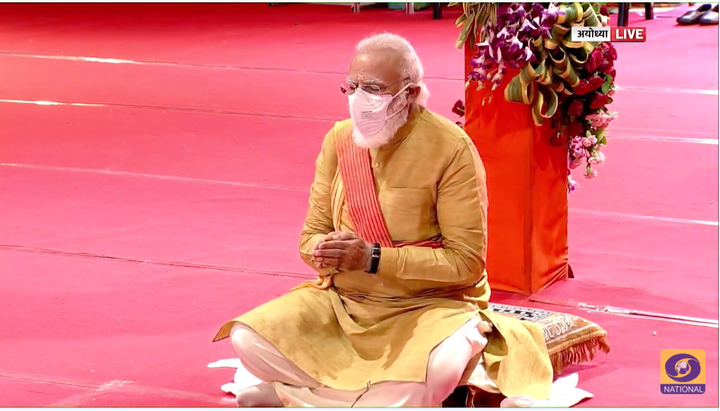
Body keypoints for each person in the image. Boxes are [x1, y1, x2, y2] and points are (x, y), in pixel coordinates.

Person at [212, 32, 557, 407]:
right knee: (247, 337)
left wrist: (372, 258)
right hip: (347, 305)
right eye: (353, 87)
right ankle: (367, 398)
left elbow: (466, 263)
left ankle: (302, 395)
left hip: (428, 309)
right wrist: (323, 251)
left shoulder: (451, 148)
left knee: (438, 367)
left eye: (374, 88)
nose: (360, 99)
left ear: (409, 93)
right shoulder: (340, 140)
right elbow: (310, 236)